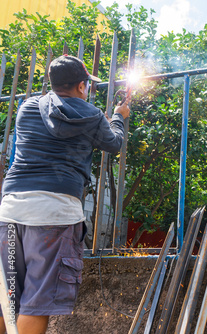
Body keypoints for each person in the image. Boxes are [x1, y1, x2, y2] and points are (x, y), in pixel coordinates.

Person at [0, 55, 130, 333]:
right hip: (54, 215)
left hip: (10, 212)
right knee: (37, 301)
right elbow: (114, 143)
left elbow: (59, 120)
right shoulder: (93, 116)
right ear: (82, 86)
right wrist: (118, 117)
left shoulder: (28, 107)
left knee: (6, 299)